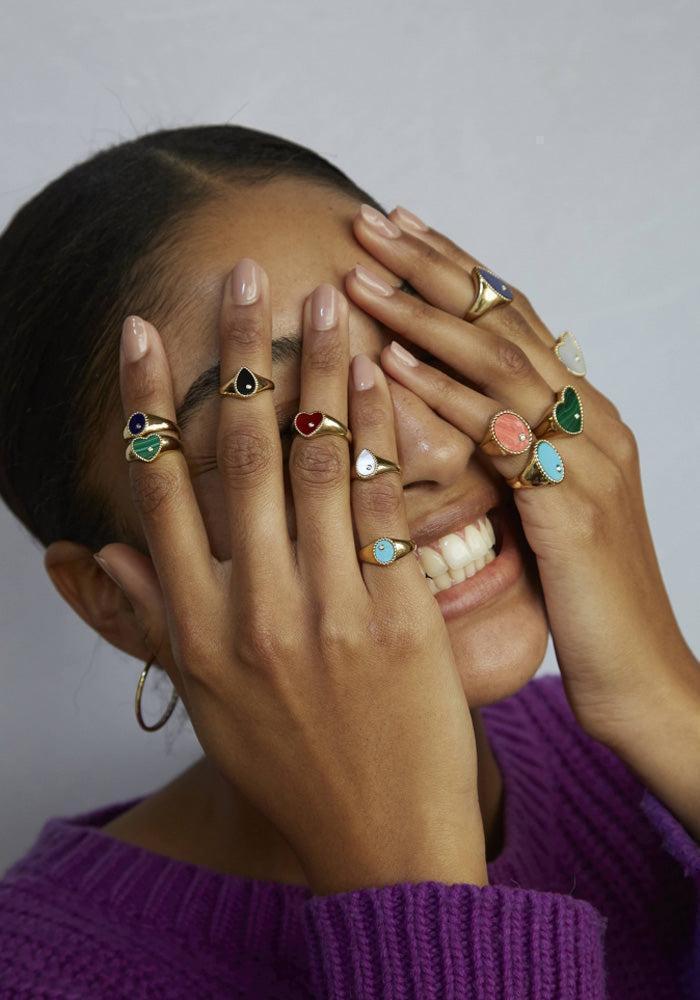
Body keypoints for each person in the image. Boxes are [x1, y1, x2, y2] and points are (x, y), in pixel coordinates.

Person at [0, 125, 697, 999]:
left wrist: (669, 703)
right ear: (111, 598)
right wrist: (414, 883)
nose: (433, 449)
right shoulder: (39, 975)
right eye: (300, 420)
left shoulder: (635, 766)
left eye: (419, 349)